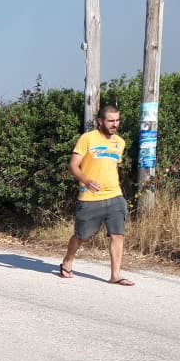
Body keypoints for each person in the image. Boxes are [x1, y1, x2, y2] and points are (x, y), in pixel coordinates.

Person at [59, 104, 134, 285]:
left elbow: (111, 166)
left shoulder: (120, 142)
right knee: (81, 236)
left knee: (118, 234)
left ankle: (115, 275)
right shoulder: (87, 138)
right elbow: (73, 165)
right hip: (90, 198)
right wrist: (86, 180)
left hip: (115, 196)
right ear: (100, 121)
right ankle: (67, 261)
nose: (115, 124)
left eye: (117, 120)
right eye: (110, 120)